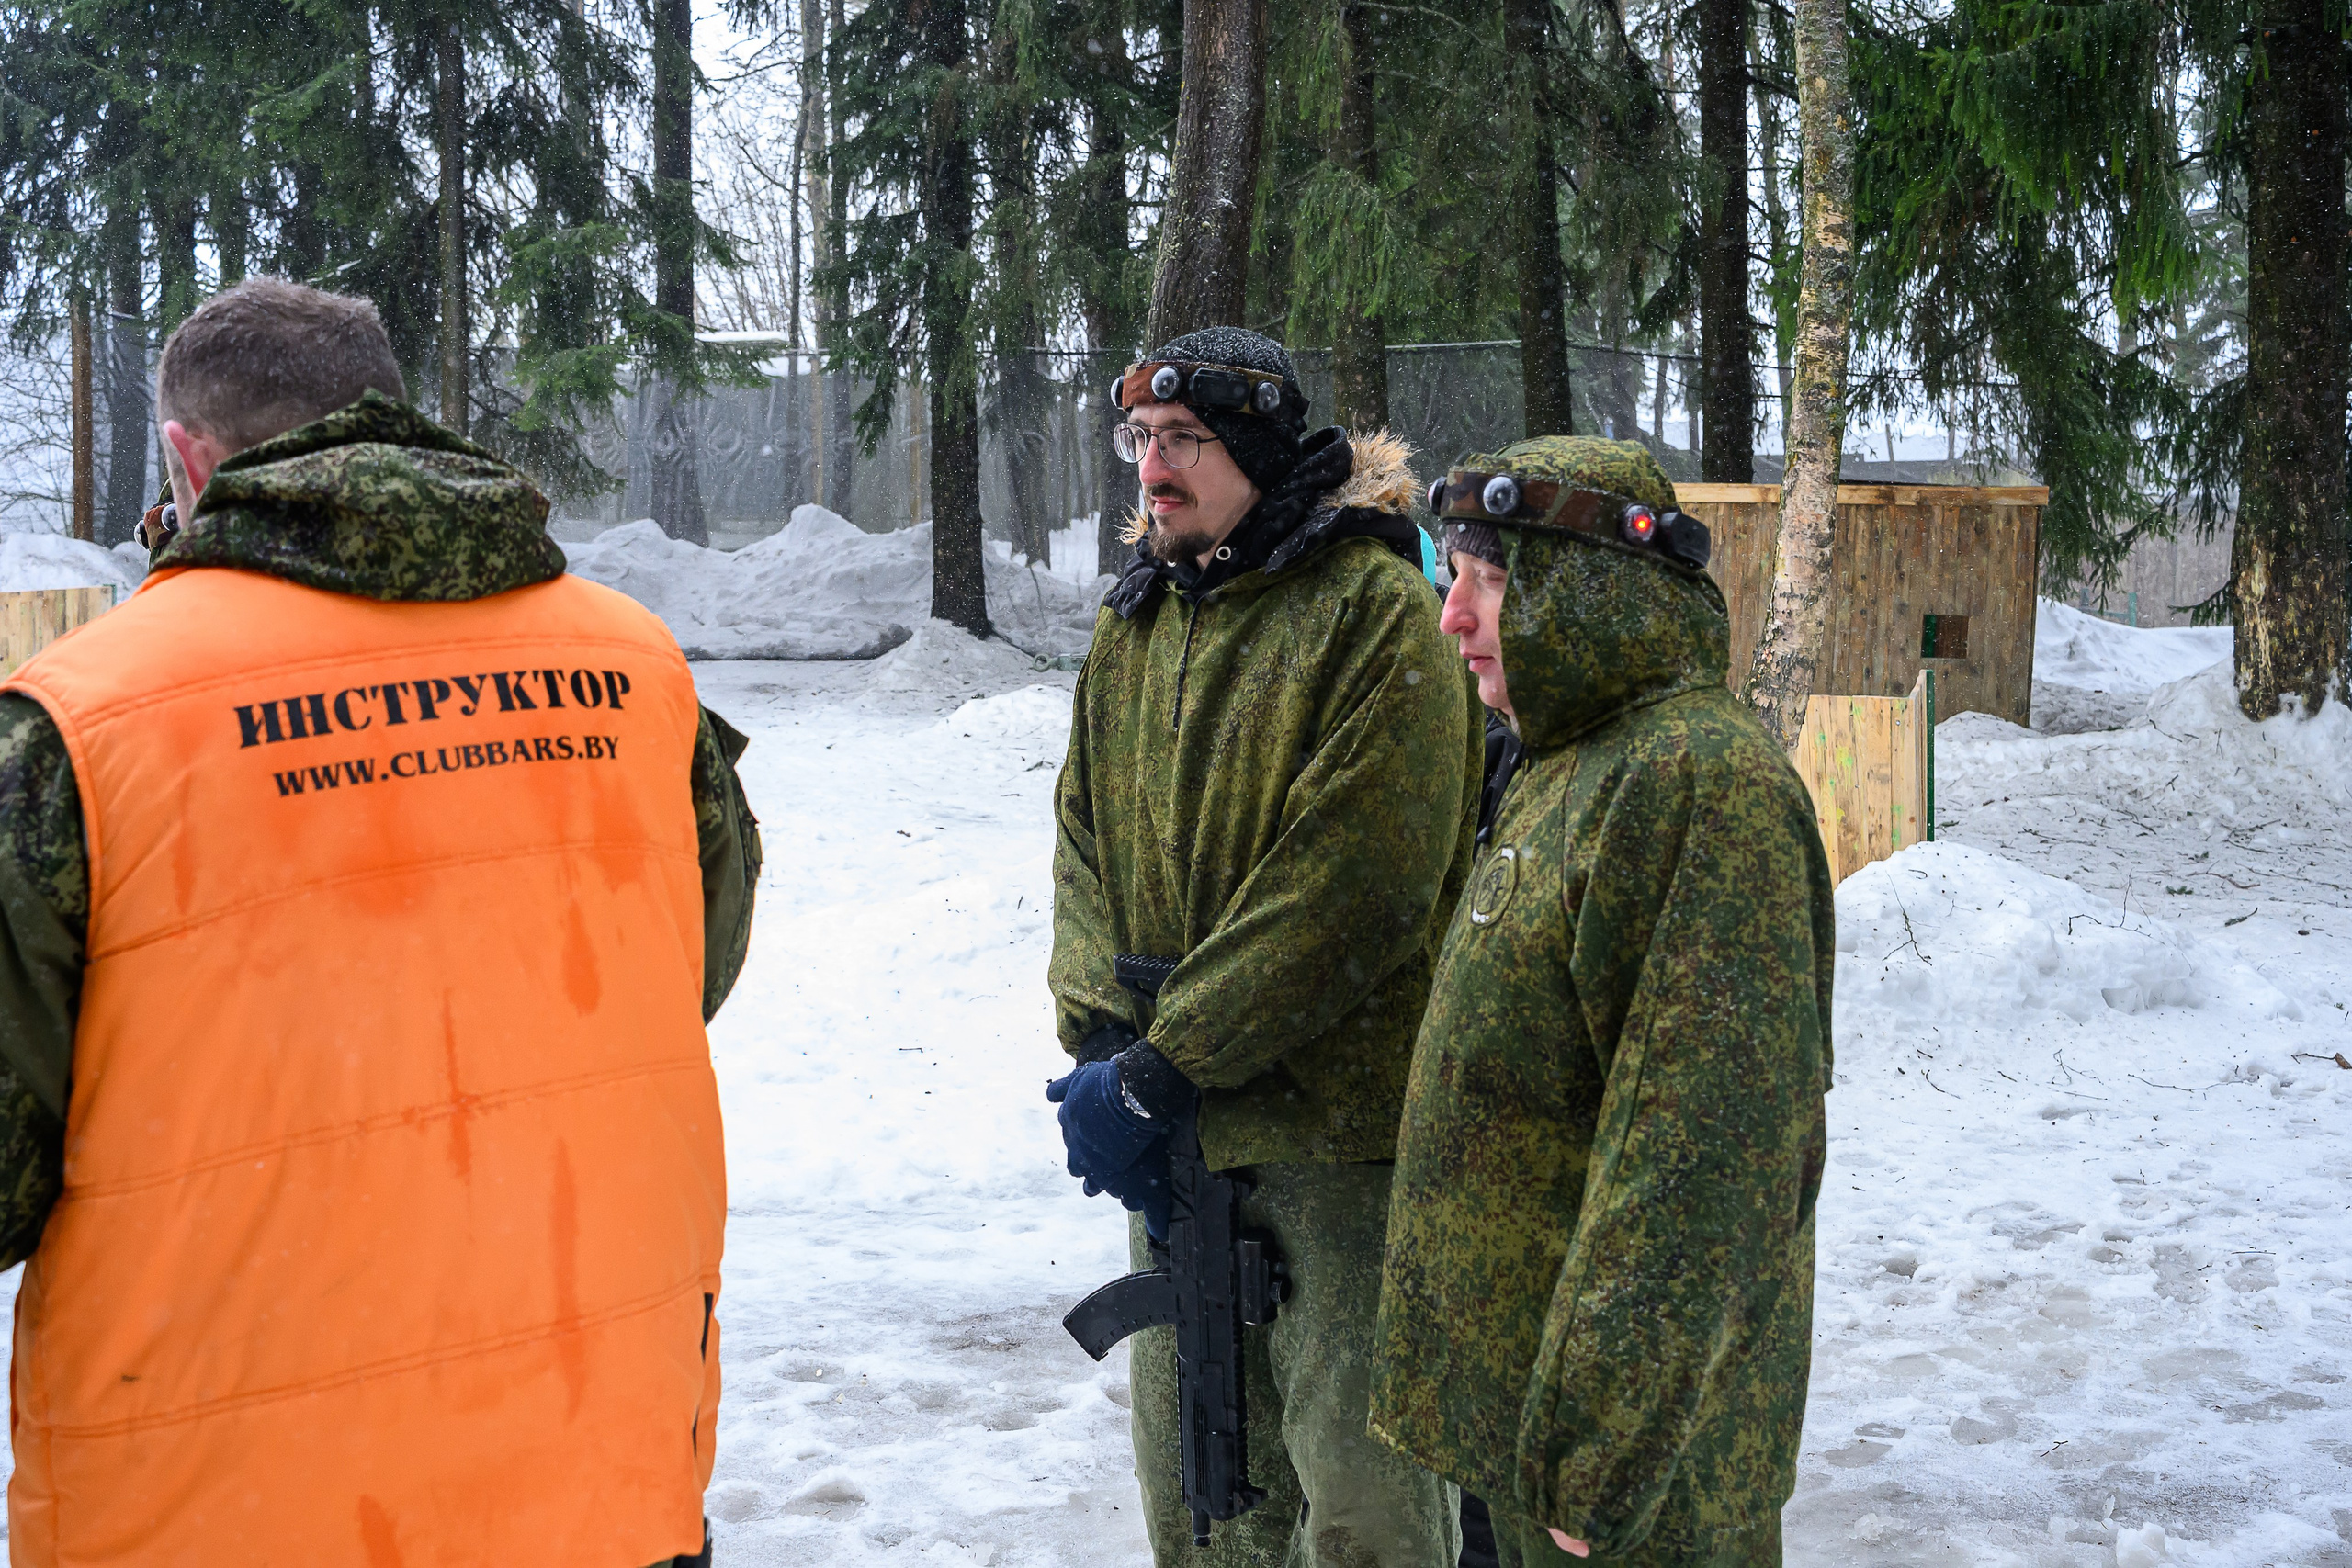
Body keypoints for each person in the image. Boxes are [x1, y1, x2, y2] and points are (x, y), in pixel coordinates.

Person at [0, 276, 760, 1566]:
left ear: (188, 458)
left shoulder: (83, 721)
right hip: (593, 1472)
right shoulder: (636, 667)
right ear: (398, 420)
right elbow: (688, 965)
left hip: (222, 1501)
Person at [1046, 326, 1483, 1567]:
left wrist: (1167, 1059)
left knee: (1365, 1504)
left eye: (1185, 441)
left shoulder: (1374, 613)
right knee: (1205, 1501)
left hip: (1338, 1135)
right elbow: (1080, 837)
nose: (1155, 467)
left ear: (1251, 444)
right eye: (1143, 439)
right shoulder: (1137, 621)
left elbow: (1359, 881)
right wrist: (1102, 1042)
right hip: (1177, 1140)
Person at [1370, 437, 1834, 1568]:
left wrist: (1601, 1445)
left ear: (1581, 587)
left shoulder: (1695, 785)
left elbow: (1701, 1160)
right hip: (1530, 1435)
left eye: (1485, 581)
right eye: (1452, 580)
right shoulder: (1567, 766)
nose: (1451, 619)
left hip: (1628, 1483)